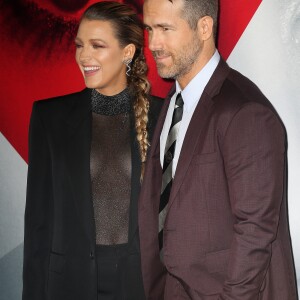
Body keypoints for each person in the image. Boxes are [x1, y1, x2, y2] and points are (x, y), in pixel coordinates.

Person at [138, 0, 298, 299]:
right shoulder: (173, 102)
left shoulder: (245, 111)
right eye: (149, 28)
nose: (153, 43)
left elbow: (255, 233)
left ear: (204, 28)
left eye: (165, 29)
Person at [22, 2, 162, 300]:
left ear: (128, 52)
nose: (84, 56)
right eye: (80, 45)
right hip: (69, 283)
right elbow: (38, 223)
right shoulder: (50, 118)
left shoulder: (164, 117)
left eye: (97, 45)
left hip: (142, 284)